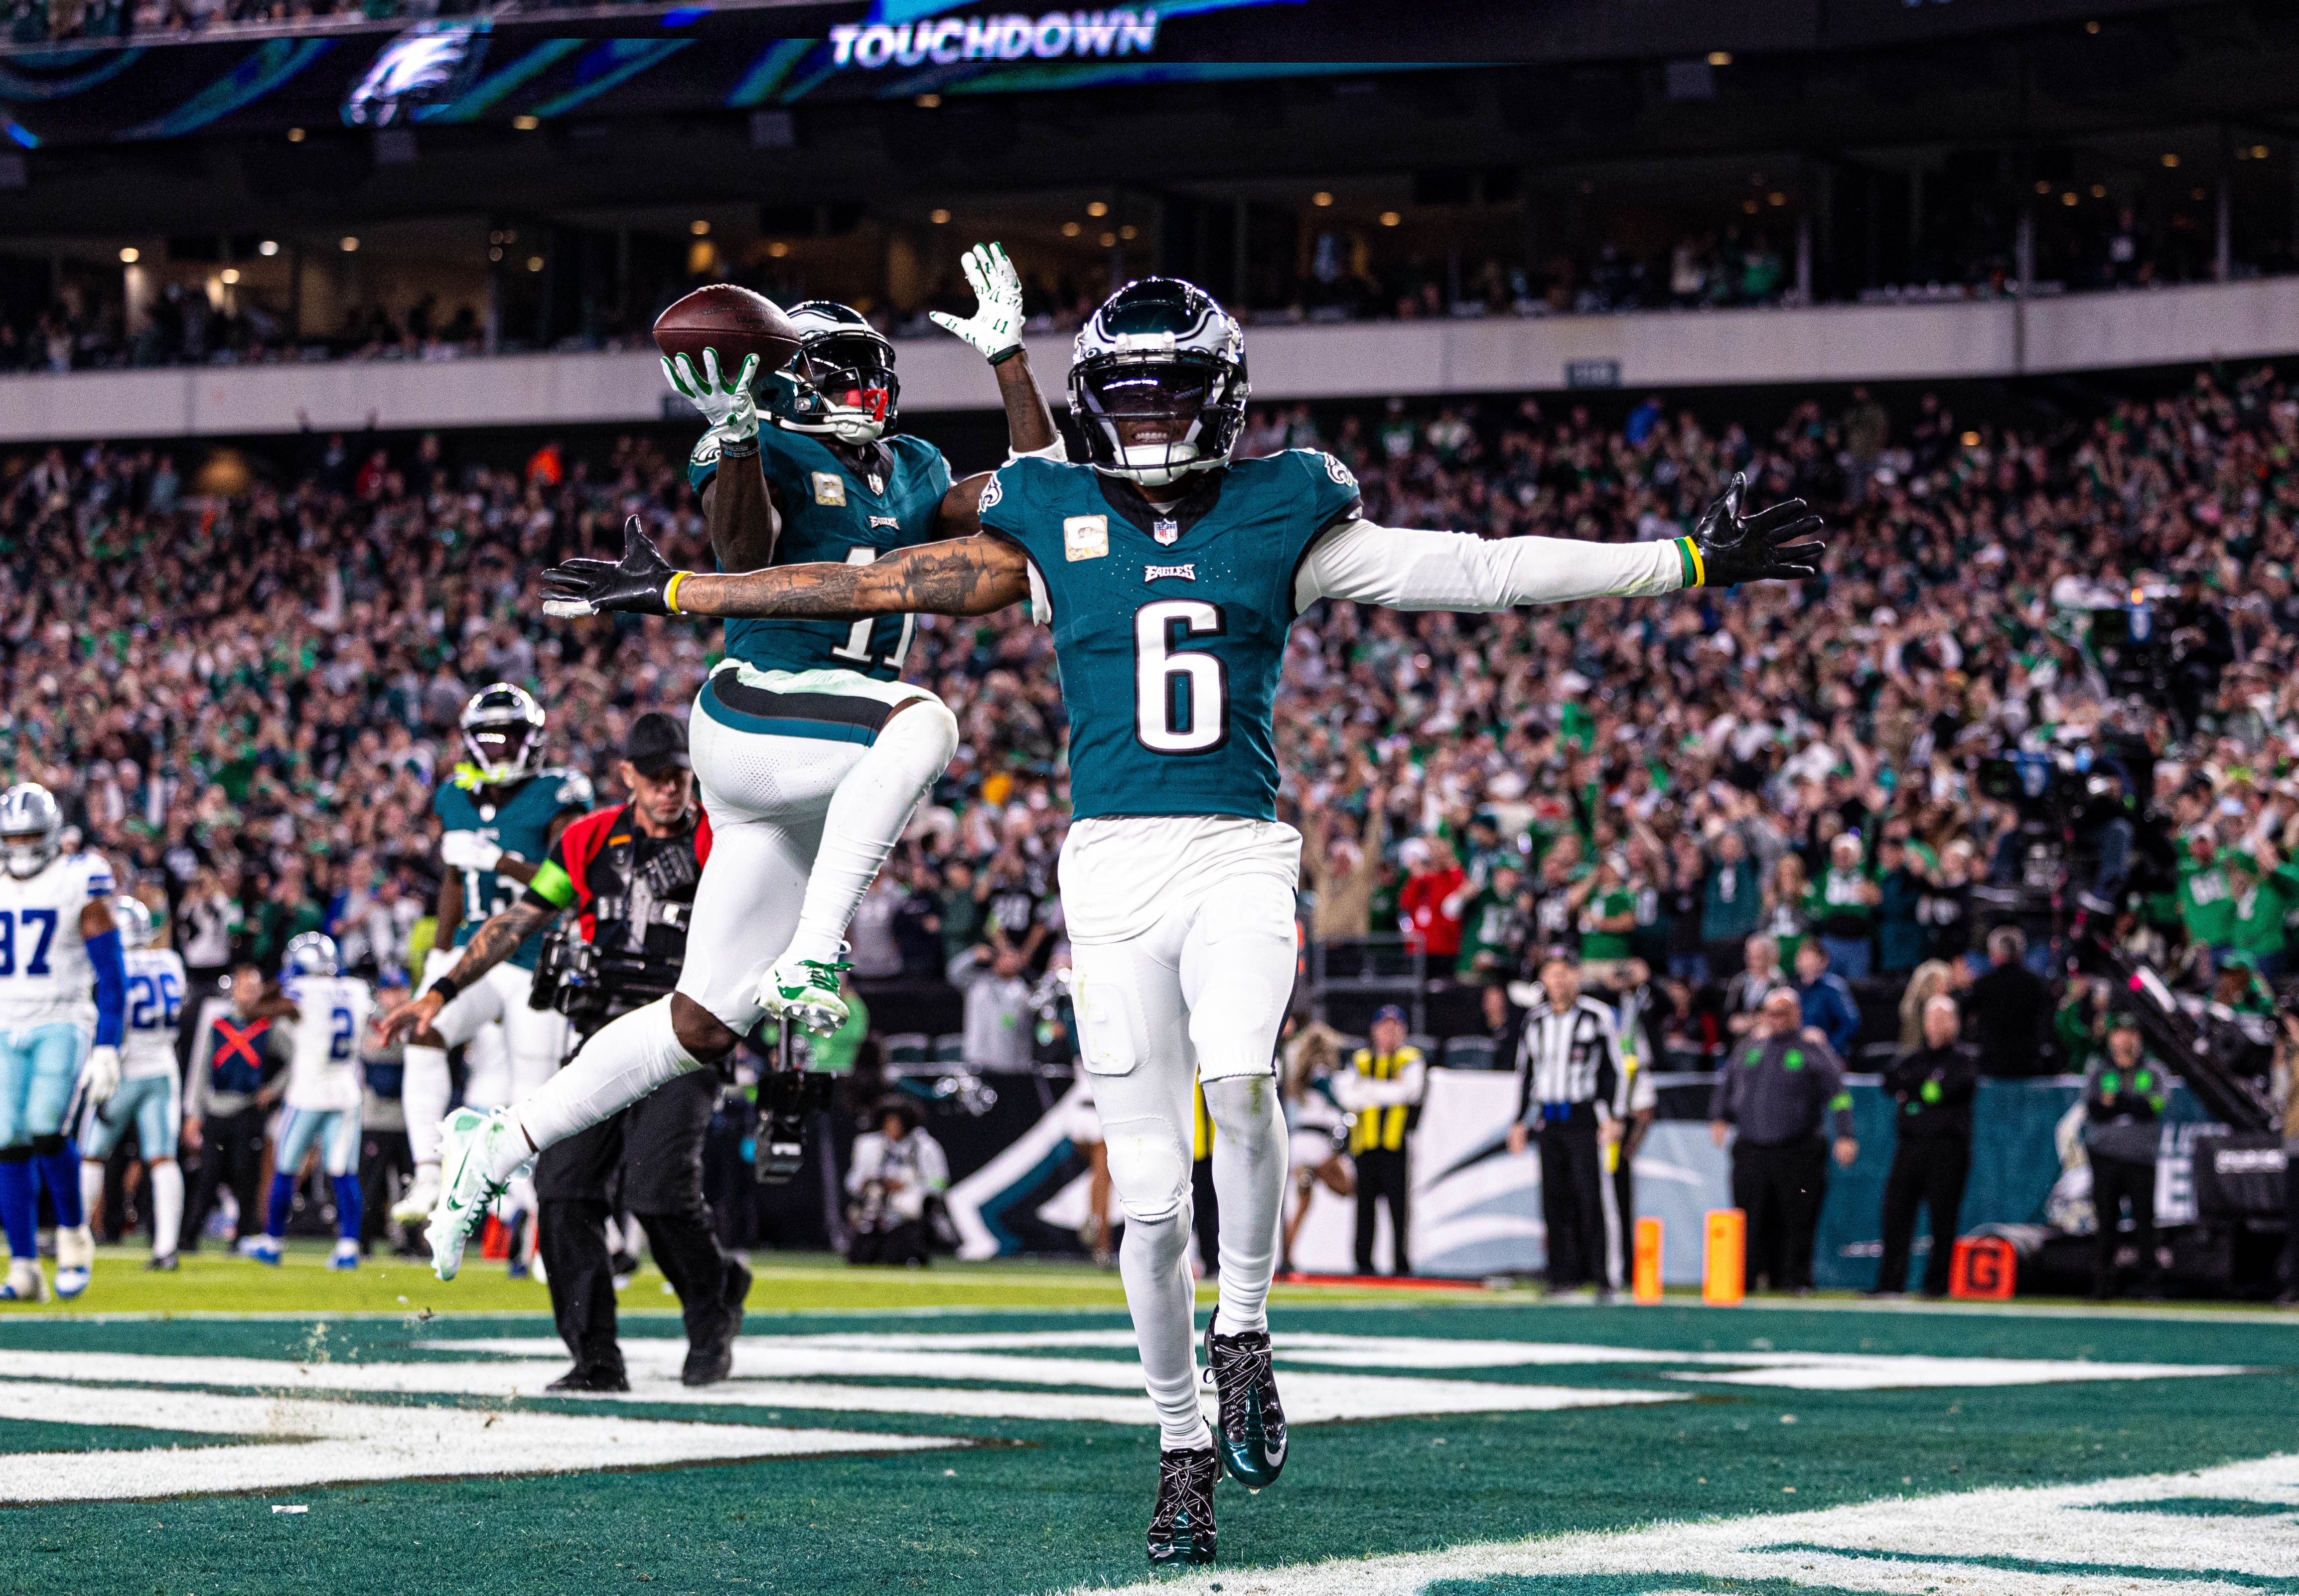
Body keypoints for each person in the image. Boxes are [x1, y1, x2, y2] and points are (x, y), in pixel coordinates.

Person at [532, 268, 1822, 1566]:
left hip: (1235, 854)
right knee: (1147, 1207)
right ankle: (1180, 1447)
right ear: (1097, 405)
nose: (1148, 426)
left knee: (1248, 1073)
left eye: (1170, 398)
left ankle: (1245, 1332)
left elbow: (1480, 570)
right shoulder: (1050, 508)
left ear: (1222, 400)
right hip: (1106, 871)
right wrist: (686, 596)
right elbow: (877, 587)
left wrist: (1687, 561)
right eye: (1127, 401)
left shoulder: (1286, 506)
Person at [424, 246, 1057, 1269]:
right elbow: (745, 550)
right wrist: (736, 435)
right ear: (789, 376)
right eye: (840, 367)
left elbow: (1044, 497)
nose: (866, 387)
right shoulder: (758, 444)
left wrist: (1013, 363)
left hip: (818, 770)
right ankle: (815, 950)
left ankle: (496, 1139)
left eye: (870, 367)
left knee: (700, 1023)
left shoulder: (917, 467)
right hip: (760, 712)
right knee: (923, 721)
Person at [382, 714, 748, 1389]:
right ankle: (595, 1357)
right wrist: (439, 992)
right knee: (562, 1186)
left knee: (657, 1189)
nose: (672, 788)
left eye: (680, 775)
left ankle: (713, 1300)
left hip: (682, 1036)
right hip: (599, 1035)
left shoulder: (718, 837)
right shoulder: (586, 839)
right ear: (628, 776)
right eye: (658, 775)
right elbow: (521, 916)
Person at [394, 683, 592, 1227]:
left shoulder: (560, 790)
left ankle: (537, 1217)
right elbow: (454, 885)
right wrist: (439, 957)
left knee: (535, 1092)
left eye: (511, 735)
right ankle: (428, 1171)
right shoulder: (454, 795)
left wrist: (499, 860)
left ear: (534, 738)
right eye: (489, 736)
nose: (500, 745)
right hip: (473, 957)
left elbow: (570, 884)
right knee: (424, 1032)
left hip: (536, 958)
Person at [0, 784, 122, 1302]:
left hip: (63, 1017)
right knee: (8, 1142)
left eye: (31, 835)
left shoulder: (78, 879)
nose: (23, 846)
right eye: (14, 837)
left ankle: (74, 1235)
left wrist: (109, 1046)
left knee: (47, 1128)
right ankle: (24, 1266)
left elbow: (112, 974)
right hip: (6, 1022)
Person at [1709, 987, 1859, 1294]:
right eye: (1770, 1013)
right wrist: (1719, 1116)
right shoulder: (1751, 1047)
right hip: (1752, 1148)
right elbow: (1727, 1083)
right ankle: (1749, 1278)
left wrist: (1845, 1134)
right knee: (1749, 1218)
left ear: (1797, 1015)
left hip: (1798, 1149)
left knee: (1797, 1219)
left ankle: (1795, 1279)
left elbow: (1839, 1095)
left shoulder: (1812, 1048)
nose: (1775, 1019)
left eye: (1782, 1013)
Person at [74, 896, 187, 1273]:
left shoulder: (109, 964)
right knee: (163, 1159)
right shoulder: (171, 961)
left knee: (92, 1154)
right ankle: (166, 1248)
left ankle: (73, 1237)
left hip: (122, 1067)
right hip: (162, 1068)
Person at [247, 934, 373, 1270]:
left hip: (308, 1093)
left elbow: (253, 1010)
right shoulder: (357, 990)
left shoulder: (303, 993)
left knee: (286, 1167)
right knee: (344, 1172)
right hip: (346, 1090)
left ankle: (273, 1242)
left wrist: (280, 981)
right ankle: (348, 1247)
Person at [1504, 955, 1623, 1295]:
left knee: (1590, 1197)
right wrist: (1519, 1122)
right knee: (1553, 1199)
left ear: (1576, 976)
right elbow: (1527, 1074)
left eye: (1563, 974)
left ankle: (1602, 1276)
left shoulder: (1596, 1016)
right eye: (1551, 975)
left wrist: (1613, 1114)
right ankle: (1561, 1275)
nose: (1558, 982)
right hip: (1549, 1118)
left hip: (1583, 1115)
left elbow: (1615, 1068)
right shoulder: (1536, 1021)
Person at [1872, 993, 1977, 1298]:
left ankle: (1936, 1286)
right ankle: (1890, 1283)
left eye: (1943, 1018)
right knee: (1896, 1213)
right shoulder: (1915, 1058)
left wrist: (1915, 1091)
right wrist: (1920, 1089)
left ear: (1954, 1023)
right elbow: (1890, 1081)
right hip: (1911, 1146)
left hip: (1947, 1150)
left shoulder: (1963, 1061)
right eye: (1932, 1018)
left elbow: (1945, 1091)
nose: (1936, 1025)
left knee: (1942, 1219)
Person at [1331, 1005, 1424, 1277]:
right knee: (1365, 1209)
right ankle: (1363, 1264)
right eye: (1385, 1026)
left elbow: (1412, 1092)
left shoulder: (1411, 1058)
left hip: (1395, 1145)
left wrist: (1368, 1090)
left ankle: (1401, 1264)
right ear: (1374, 1030)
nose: (1390, 1032)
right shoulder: (1360, 1059)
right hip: (1365, 1145)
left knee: (1399, 1208)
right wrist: (1391, 1091)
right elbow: (1348, 1098)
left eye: (1396, 1027)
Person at [2082, 1017, 2165, 1302]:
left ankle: (2151, 1286)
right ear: (2111, 1037)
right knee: (2106, 1222)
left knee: (2145, 1223)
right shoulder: (2099, 1070)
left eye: (2131, 1032)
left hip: (2141, 1158)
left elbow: (2152, 1107)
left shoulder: (2153, 1071)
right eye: (2119, 1032)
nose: (2125, 1039)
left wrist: (2117, 1101)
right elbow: (2094, 1109)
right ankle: (2103, 1285)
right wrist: (2130, 1103)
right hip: (2105, 1156)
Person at [1279, 1021, 1351, 1274]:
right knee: (1348, 1188)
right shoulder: (1321, 1074)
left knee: (1303, 1203)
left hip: (1298, 1144)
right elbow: (1340, 1103)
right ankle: (1313, 1172)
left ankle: (1287, 1256)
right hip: (1317, 1144)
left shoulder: (1297, 1075)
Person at [846, 1096, 948, 1265]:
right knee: (873, 1194)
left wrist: (907, 1187)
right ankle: (867, 1236)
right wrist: (868, 1184)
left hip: (907, 1212)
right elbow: (852, 1182)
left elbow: (940, 1183)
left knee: (899, 1252)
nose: (891, 1126)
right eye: (888, 1121)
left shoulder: (925, 1146)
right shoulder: (868, 1145)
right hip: (874, 1209)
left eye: (896, 1121)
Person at [1966, 925, 2053, 1076]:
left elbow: (1963, 1014)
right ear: (2022, 953)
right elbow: (2048, 1024)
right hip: (2029, 1066)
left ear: (1994, 954)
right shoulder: (2037, 984)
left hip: (1992, 1067)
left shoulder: (1983, 986)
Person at [1794, 940, 1862, 1060]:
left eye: (1810, 958)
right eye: (1803, 958)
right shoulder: (1793, 988)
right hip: (1799, 1055)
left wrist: (1829, 1049)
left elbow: (1850, 1023)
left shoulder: (1833, 988)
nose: (1806, 962)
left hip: (1828, 1055)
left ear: (1823, 961)